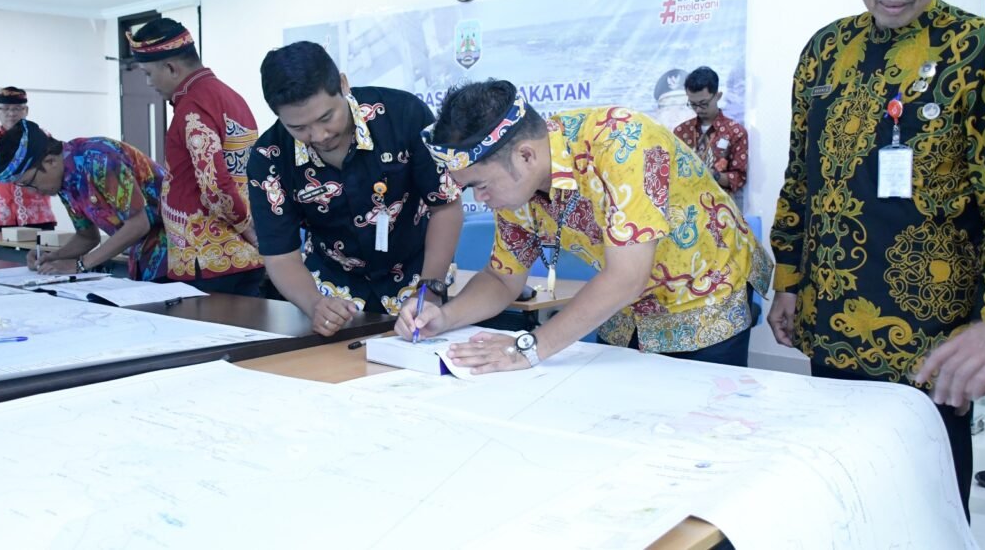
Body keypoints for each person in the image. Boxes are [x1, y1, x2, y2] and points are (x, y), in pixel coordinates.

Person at [767, 0, 985, 515]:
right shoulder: (825, 51)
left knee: (925, 504)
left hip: (933, 335)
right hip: (831, 322)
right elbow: (801, 177)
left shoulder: (979, 52)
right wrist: (789, 279)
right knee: (843, 494)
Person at [397, 78, 773, 372]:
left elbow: (627, 277)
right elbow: (501, 278)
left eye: (480, 185)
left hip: (704, 296)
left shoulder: (621, 142)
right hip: (626, 312)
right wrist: (443, 318)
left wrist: (528, 348)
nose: (480, 199)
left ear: (525, 156)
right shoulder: (517, 188)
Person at [247, 41, 462, 334]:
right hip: (333, 293)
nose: (319, 135)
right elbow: (280, 254)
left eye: (326, 118)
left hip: (417, 278)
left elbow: (445, 206)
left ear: (343, 85)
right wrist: (314, 304)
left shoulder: (403, 115)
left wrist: (430, 291)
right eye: (298, 128)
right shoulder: (269, 157)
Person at [126, 18, 264, 296]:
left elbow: (214, 186)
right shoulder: (229, 96)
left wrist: (249, 229)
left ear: (171, 68)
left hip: (210, 261)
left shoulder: (193, 105)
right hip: (240, 258)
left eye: (149, 74)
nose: (149, 83)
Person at [0, 120, 168, 281]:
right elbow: (87, 237)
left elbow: (138, 224)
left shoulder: (99, 159)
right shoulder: (64, 181)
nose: (32, 192)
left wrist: (81, 264)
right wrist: (53, 257)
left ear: (50, 161)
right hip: (144, 254)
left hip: (174, 249)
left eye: (30, 182)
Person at [0, 87, 57, 232]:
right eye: (5, 108)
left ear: (26, 110)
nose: (11, 113)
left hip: (38, 217)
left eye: (17, 108)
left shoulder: (42, 136)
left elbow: (56, 171)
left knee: (42, 249)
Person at [673, 66, 748, 205]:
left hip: (719, 207)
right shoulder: (681, 131)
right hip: (686, 205)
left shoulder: (735, 132)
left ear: (718, 96)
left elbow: (739, 178)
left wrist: (712, 174)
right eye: (693, 104)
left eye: (703, 104)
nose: (698, 109)